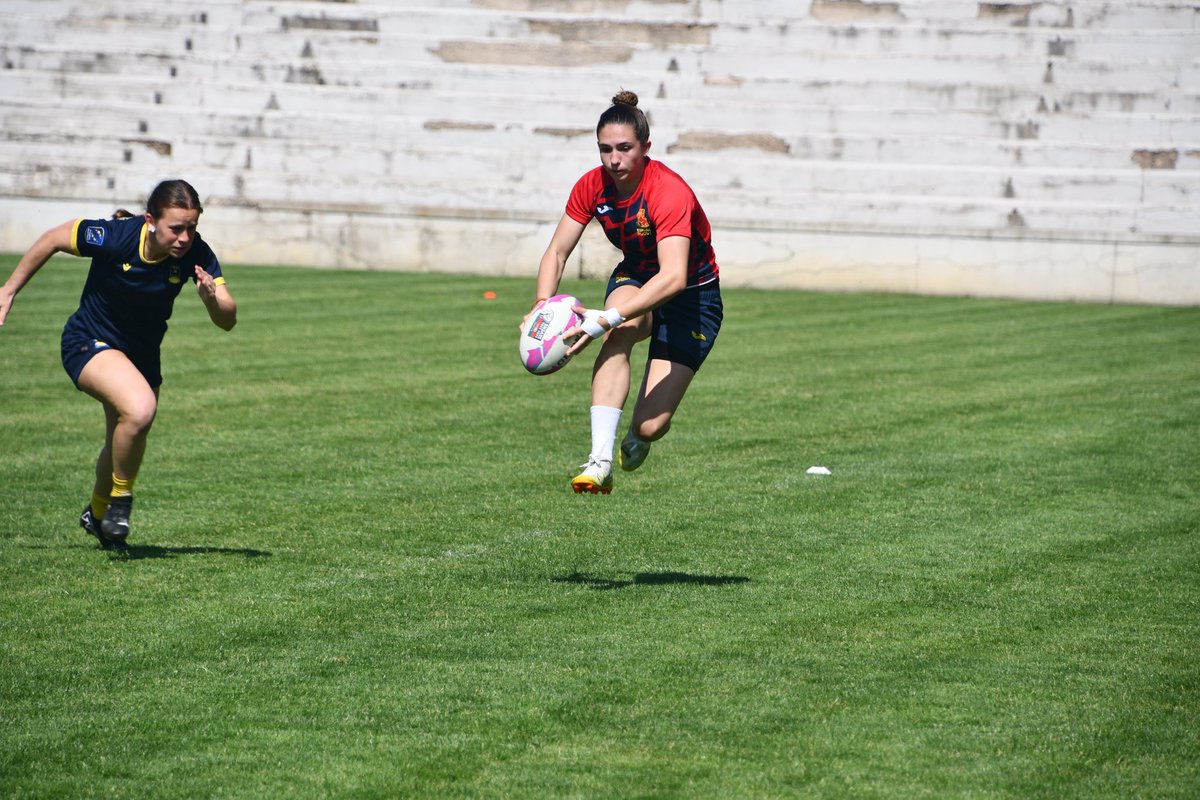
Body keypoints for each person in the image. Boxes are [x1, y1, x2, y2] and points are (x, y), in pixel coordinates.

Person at [0, 179, 237, 550]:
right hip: (87, 343)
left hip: (141, 356)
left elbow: (228, 319)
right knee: (141, 409)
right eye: (176, 228)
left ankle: (97, 514)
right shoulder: (114, 237)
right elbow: (52, 239)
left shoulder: (197, 254)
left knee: (122, 439)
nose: (185, 237)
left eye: (192, 227)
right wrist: (8, 289)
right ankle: (121, 502)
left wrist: (211, 300)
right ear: (150, 221)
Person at [527, 90, 723, 494]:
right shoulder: (592, 186)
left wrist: (605, 318)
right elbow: (557, 252)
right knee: (620, 328)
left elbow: (673, 278)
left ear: (645, 148)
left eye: (624, 148)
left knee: (651, 425)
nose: (614, 159)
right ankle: (598, 461)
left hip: (692, 298)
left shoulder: (667, 191)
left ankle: (636, 436)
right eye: (605, 149)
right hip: (634, 275)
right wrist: (541, 308)